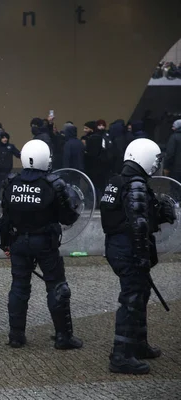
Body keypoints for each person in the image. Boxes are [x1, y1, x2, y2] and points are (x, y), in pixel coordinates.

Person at [0, 139, 83, 350]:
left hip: (17, 241)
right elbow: (68, 218)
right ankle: (64, 337)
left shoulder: (10, 182)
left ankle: (16, 336)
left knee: (18, 287)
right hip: (45, 242)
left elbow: (5, 219)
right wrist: (72, 201)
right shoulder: (55, 184)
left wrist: (5, 244)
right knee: (56, 286)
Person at [100, 138, 175, 374]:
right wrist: (143, 257)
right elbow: (139, 224)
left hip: (118, 247)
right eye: (155, 160)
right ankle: (121, 355)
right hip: (129, 249)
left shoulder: (117, 181)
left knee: (140, 293)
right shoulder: (135, 184)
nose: (155, 165)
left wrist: (157, 213)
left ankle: (138, 344)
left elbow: (133, 214)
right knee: (132, 299)